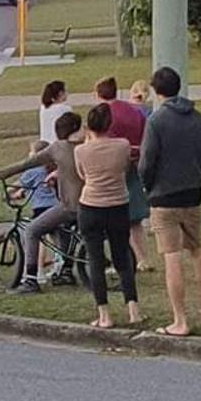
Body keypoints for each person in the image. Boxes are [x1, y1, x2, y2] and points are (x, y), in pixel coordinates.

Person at [142, 66, 201, 337]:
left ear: (156, 90)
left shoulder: (156, 121)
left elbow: (147, 161)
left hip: (164, 196)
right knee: (196, 248)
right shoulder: (197, 118)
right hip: (192, 192)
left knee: (171, 255)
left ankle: (180, 319)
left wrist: (148, 185)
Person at [0, 111, 84, 294]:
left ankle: (31, 279)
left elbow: (28, 163)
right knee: (64, 230)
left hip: (70, 205)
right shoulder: (86, 146)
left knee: (32, 230)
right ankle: (66, 269)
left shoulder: (58, 148)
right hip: (90, 203)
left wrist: (1, 174)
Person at [76, 103, 140, 328]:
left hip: (91, 204)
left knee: (95, 259)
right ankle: (133, 309)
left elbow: (82, 174)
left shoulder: (81, 150)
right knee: (121, 256)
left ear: (88, 126)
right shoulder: (122, 145)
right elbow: (125, 167)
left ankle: (104, 314)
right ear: (110, 124)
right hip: (117, 204)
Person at [94, 77, 152, 272]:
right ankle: (143, 258)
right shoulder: (133, 111)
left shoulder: (103, 115)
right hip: (135, 163)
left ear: (97, 94)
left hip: (113, 168)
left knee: (116, 218)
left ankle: (123, 258)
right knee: (134, 218)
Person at [38, 80, 73, 144]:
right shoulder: (65, 108)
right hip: (58, 144)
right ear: (60, 93)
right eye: (65, 91)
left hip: (44, 143)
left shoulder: (43, 108)